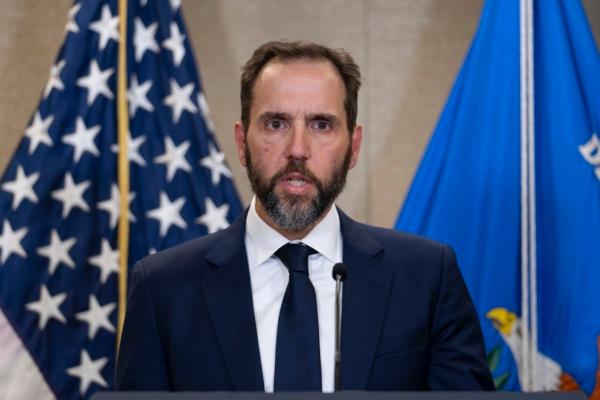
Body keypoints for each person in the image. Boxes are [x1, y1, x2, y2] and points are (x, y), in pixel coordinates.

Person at [115, 40, 495, 392]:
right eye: (276, 124)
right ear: (242, 143)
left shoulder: (427, 276)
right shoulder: (162, 288)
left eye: (321, 125)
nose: (298, 149)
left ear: (354, 146)